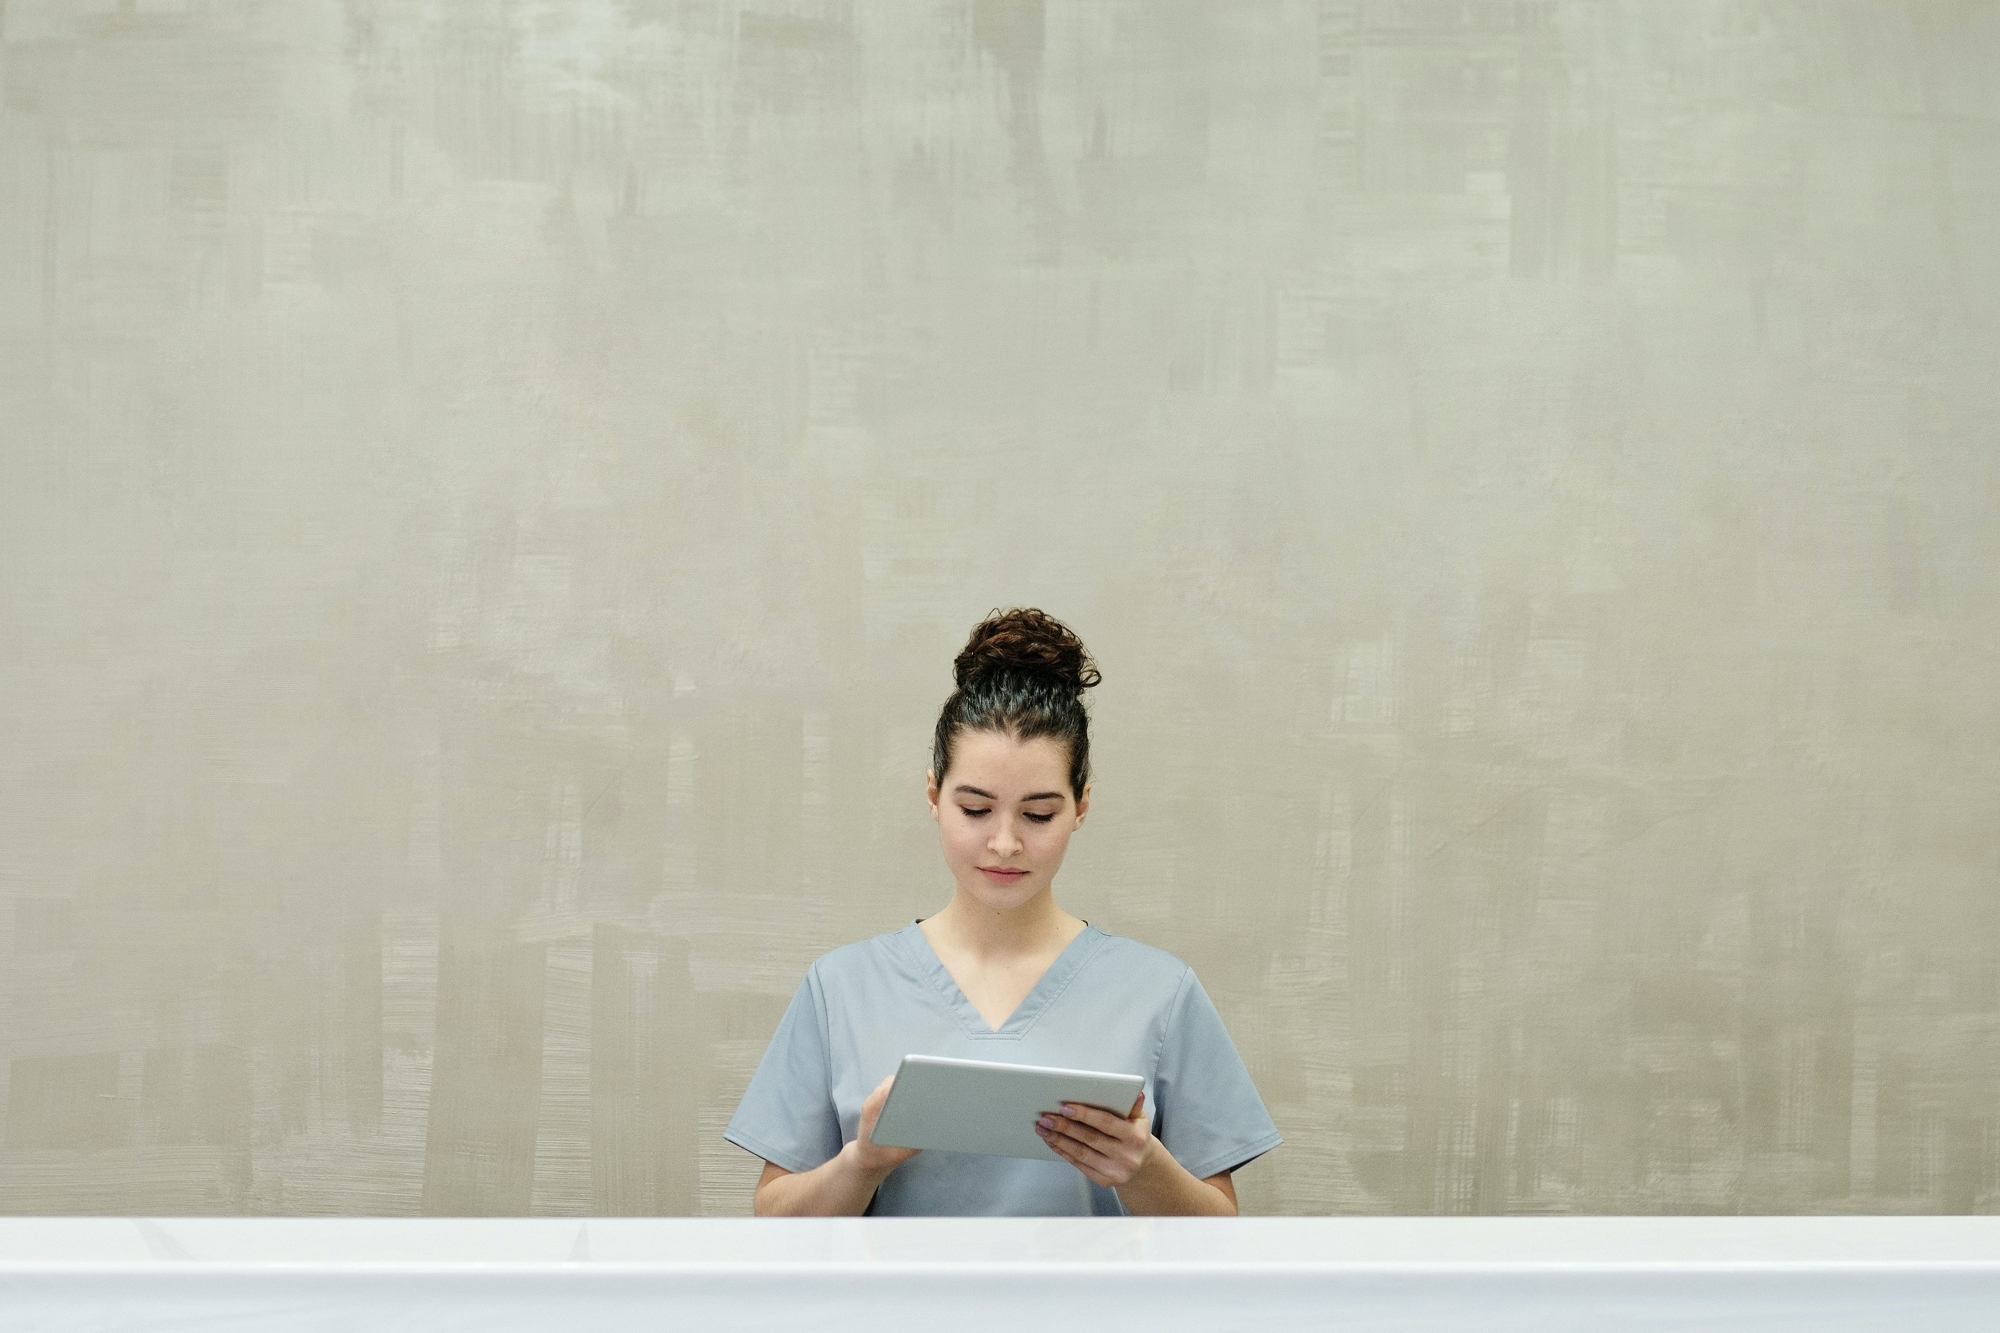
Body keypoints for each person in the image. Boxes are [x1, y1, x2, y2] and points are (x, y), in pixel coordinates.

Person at [724, 608, 1281, 1215]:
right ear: (934, 795)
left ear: (1081, 806)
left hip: (1093, 1314)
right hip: (897, 1314)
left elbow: (1222, 1230)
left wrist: (1143, 1168)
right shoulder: (840, 989)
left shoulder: (1160, 993)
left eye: (1039, 814)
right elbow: (773, 1220)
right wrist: (863, 1161)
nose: (1005, 843)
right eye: (975, 809)